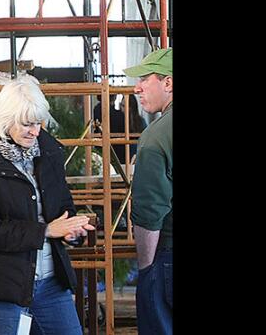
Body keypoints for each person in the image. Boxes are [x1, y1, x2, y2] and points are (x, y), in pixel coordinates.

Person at [0, 77, 95, 335]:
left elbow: (64, 206)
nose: (34, 131)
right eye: (26, 124)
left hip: (51, 283)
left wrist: (71, 231)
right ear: (5, 119)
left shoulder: (49, 152)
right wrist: (45, 231)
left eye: (38, 123)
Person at [125, 48, 172, 335]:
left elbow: (149, 213)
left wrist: (145, 269)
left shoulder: (156, 137)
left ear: (168, 83)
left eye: (145, 78)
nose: (136, 87)